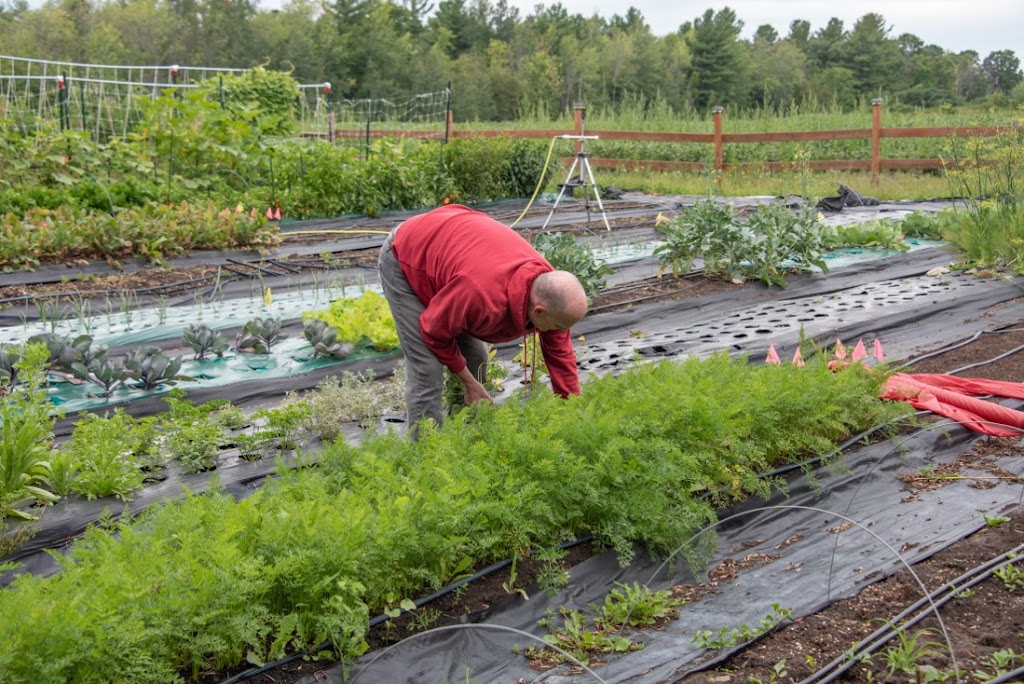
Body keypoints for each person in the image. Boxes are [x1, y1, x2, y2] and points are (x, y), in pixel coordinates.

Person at [378, 203, 588, 434]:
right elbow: (433, 331)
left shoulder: (552, 293)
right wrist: (468, 382)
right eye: (558, 327)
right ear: (538, 311)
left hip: (455, 251)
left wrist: (572, 417)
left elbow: (561, 358)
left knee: (476, 357)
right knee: (427, 368)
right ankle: (426, 454)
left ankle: (466, 432)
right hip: (407, 255)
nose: (559, 332)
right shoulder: (484, 297)